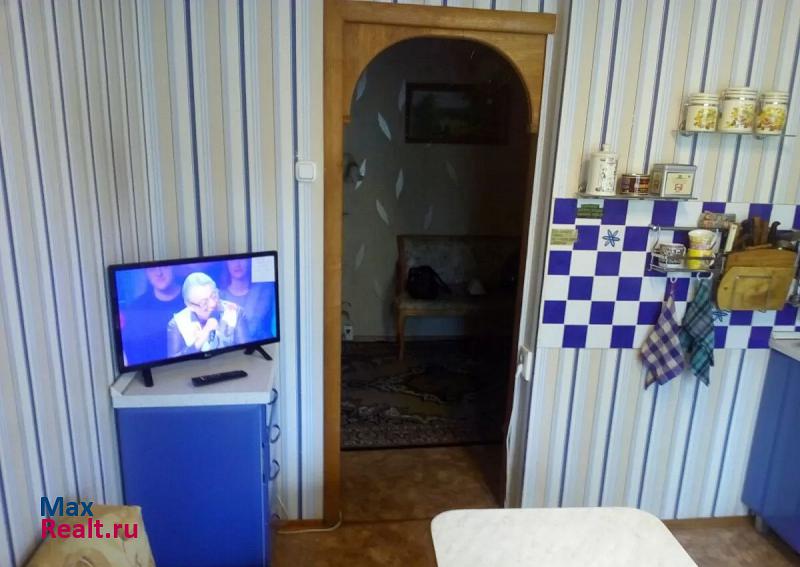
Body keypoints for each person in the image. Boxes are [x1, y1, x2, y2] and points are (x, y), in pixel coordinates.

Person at [167, 272, 248, 357]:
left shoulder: (235, 312)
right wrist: (203, 335)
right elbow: (174, 361)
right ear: (190, 306)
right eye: (204, 303)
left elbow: (245, 352)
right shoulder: (177, 323)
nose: (213, 304)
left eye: (214, 296)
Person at [121, 266, 185, 366]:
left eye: (164, 267)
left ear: (173, 268)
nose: (159, 273)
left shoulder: (196, 298)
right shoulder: (136, 309)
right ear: (146, 273)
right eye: (152, 269)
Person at [219, 259, 277, 342]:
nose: (237, 264)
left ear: (249, 262)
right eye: (232, 260)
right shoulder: (219, 297)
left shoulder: (266, 290)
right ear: (226, 264)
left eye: (242, 259)